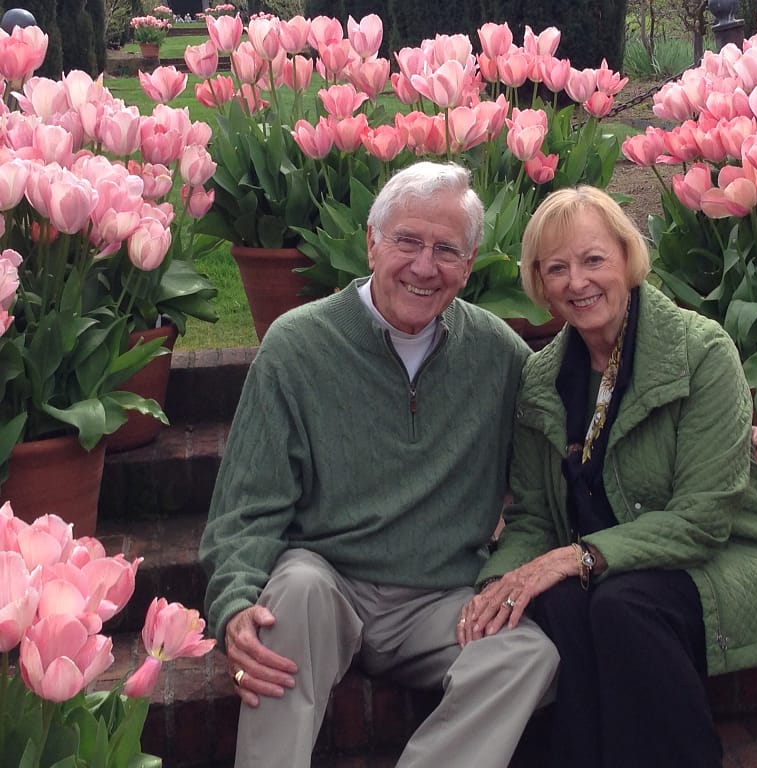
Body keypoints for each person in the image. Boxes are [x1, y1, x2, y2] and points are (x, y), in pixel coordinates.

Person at [198, 161, 560, 768]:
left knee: (530, 656)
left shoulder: (499, 355)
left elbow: (571, 439)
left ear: (469, 266)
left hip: (440, 602)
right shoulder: (297, 346)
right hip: (328, 588)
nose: (424, 266)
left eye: (446, 249)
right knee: (290, 597)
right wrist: (233, 603)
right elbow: (245, 506)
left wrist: (728, 442)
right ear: (371, 240)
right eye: (407, 241)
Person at [459, 186, 757, 768]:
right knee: (556, 604)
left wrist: (573, 558)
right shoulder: (540, 380)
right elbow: (532, 518)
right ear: (539, 283)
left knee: (622, 605)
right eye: (557, 268)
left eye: (594, 260)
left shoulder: (701, 350)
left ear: (627, 258)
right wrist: (501, 583)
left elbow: (704, 518)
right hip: (610, 567)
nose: (578, 282)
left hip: (726, 554)